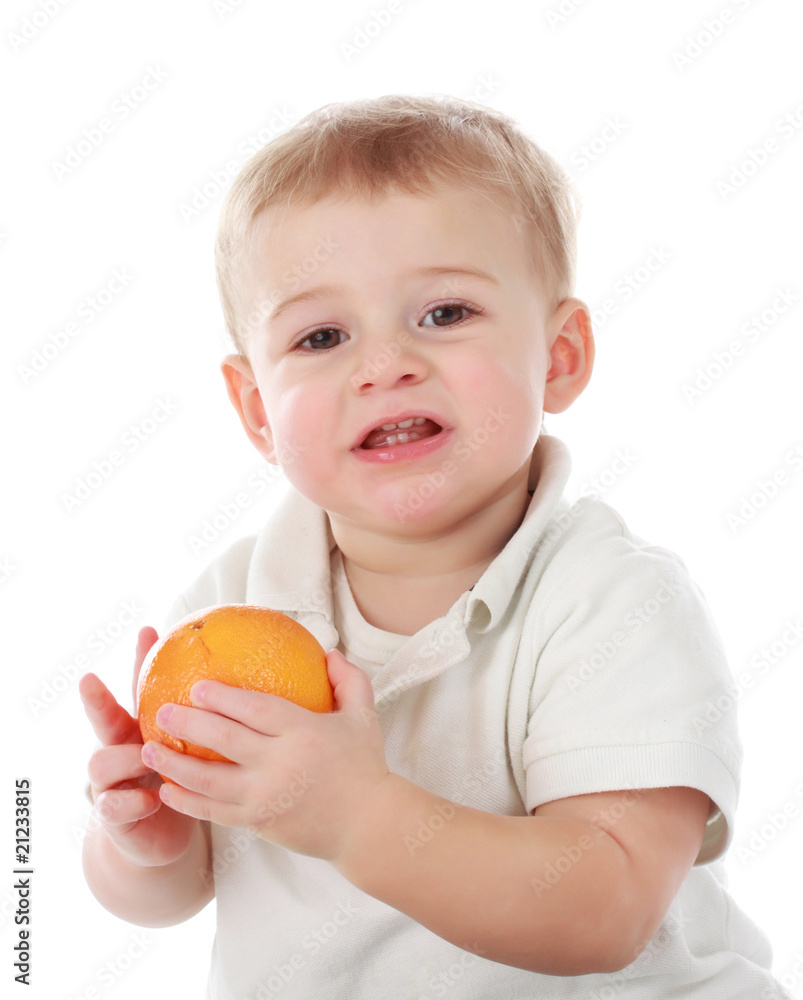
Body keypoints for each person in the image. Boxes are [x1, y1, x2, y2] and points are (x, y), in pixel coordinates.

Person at [79, 94, 791, 998]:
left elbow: (607, 909)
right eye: (322, 336)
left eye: (445, 313)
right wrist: (147, 843)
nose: (384, 365)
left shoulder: (612, 602)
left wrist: (357, 816)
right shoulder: (230, 606)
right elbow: (168, 897)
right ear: (257, 410)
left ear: (559, 356)